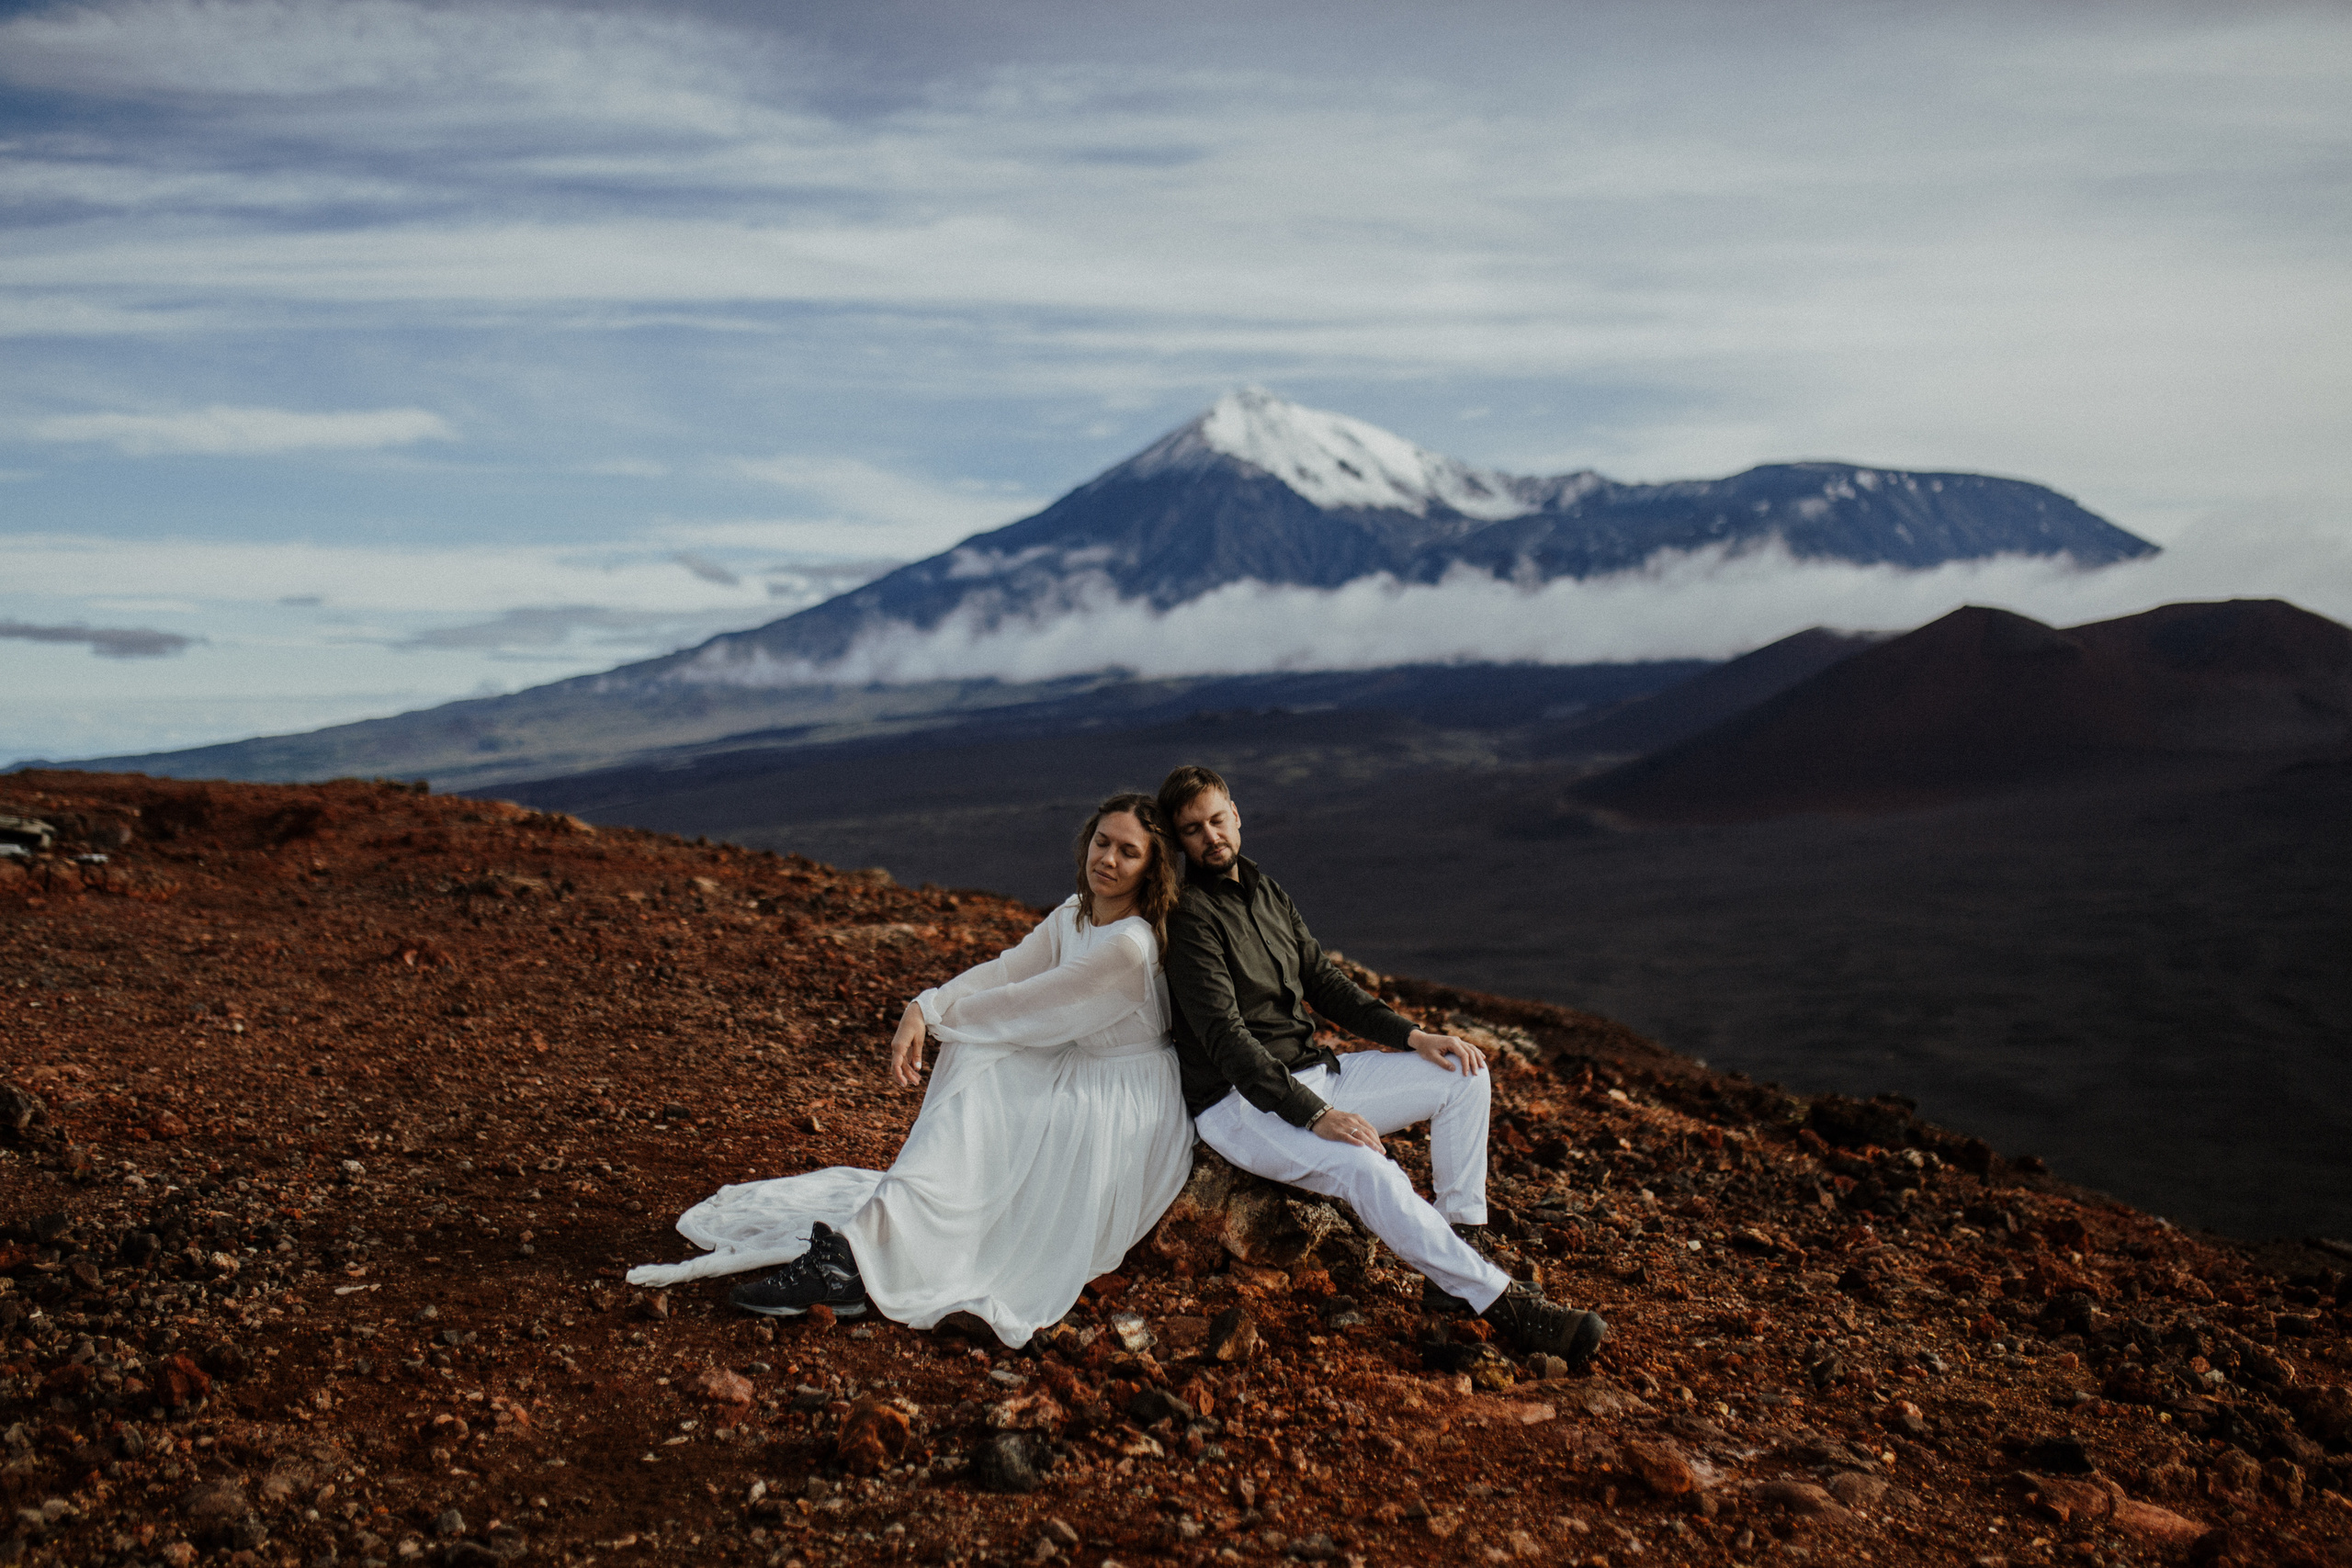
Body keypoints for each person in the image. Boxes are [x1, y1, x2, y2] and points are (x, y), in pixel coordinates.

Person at [626, 793, 1194, 1348]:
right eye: (1102, 842)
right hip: (1079, 1067)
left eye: (1128, 852)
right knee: (980, 1065)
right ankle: (881, 1236)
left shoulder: (1129, 945)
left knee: (980, 1057)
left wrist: (939, 1018)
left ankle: (861, 1259)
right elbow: (1006, 971)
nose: (1108, 860)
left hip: (1121, 1095)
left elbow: (1027, 1005)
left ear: (1151, 869)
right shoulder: (1075, 914)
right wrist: (925, 1003)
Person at [1155, 764, 1607, 1368]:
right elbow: (1227, 1040)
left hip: (1317, 1073)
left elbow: (1324, 981)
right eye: (1193, 829)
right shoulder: (1189, 920)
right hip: (1241, 1103)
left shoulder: (1263, 888)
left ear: (1236, 815)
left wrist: (1414, 1035)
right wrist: (1314, 1114)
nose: (1211, 836)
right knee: (1369, 1169)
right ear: (1178, 841)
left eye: (1217, 819)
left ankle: (1454, 1266)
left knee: (1462, 1074)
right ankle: (1505, 1306)